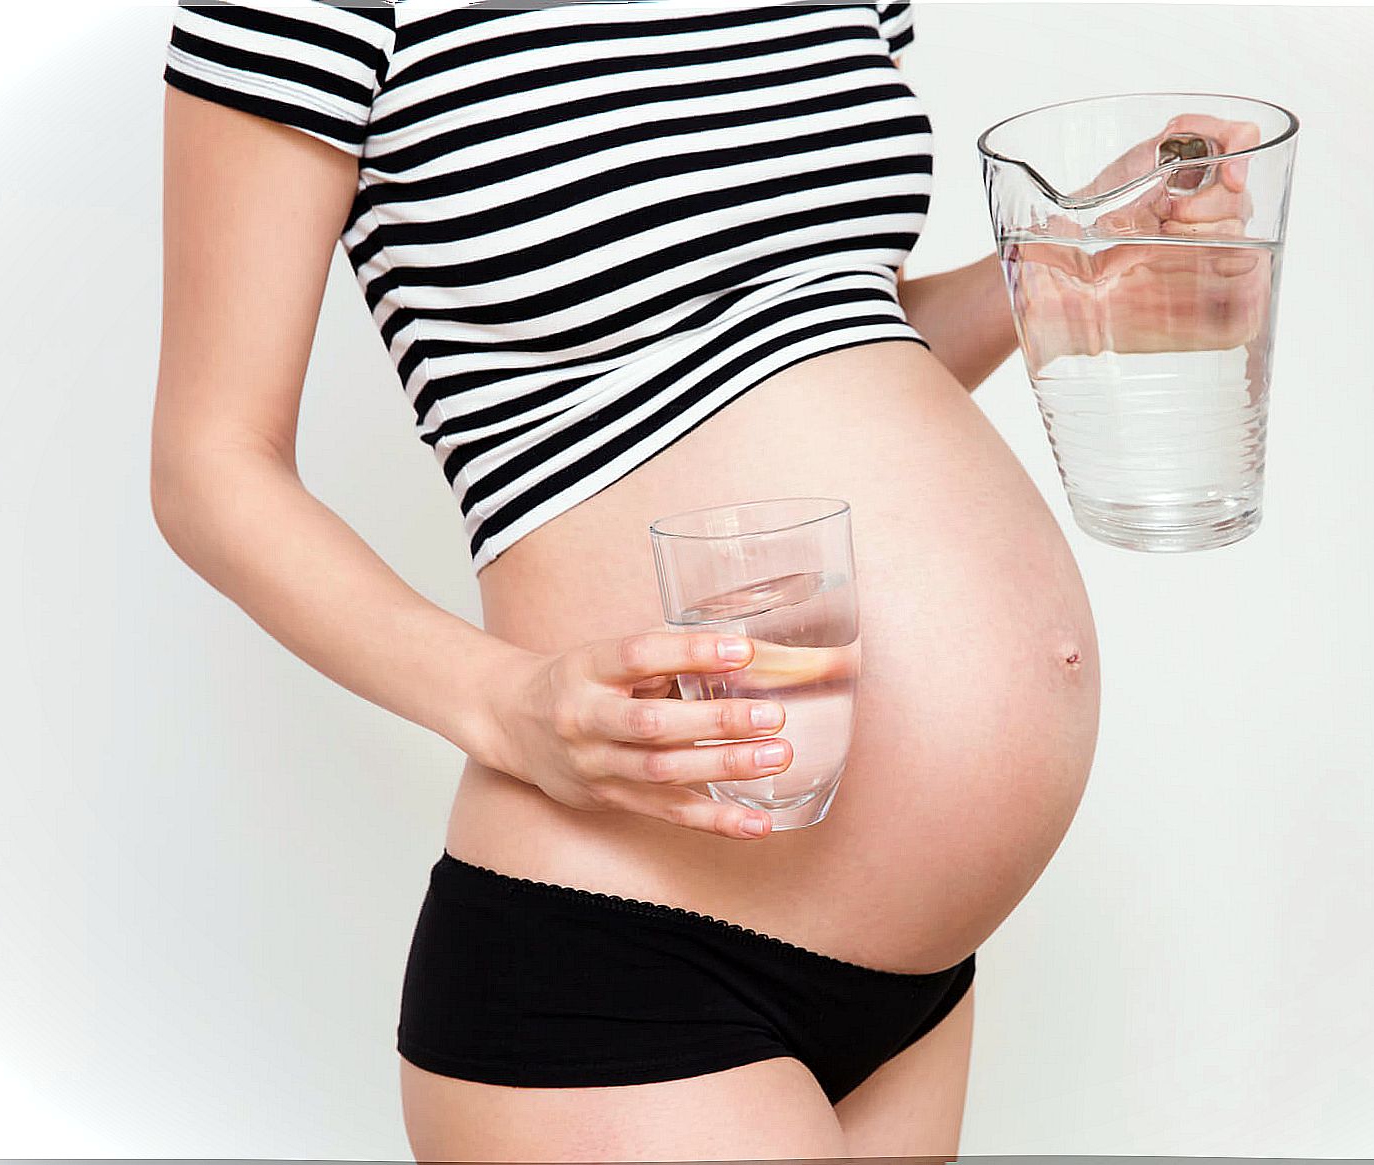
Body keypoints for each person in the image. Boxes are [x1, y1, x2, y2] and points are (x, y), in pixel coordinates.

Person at [154, 0, 1254, 1157]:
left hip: (914, 980)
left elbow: (826, 321)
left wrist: (1071, 271)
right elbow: (209, 467)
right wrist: (504, 705)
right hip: (636, 954)